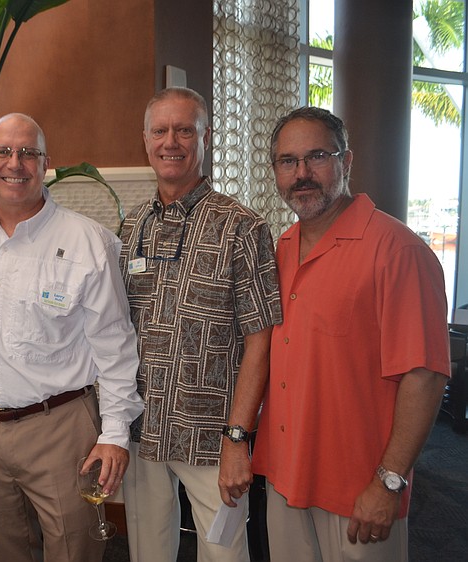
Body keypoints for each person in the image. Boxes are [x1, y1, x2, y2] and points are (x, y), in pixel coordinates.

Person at [251, 106, 450, 562]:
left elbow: (426, 375)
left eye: (317, 156)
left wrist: (389, 482)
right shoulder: (279, 249)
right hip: (285, 478)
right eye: (288, 161)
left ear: (347, 161)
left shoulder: (398, 251)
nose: (302, 173)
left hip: (360, 492)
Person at [0, 113, 144, 562]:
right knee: (0, 548)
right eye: (3, 152)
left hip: (60, 428)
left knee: (76, 547)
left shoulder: (88, 242)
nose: (15, 163)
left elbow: (115, 347)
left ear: (46, 163)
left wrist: (114, 433)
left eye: (28, 153)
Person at [119, 87, 282, 562]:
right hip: (141, 427)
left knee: (225, 555)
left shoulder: (243, 227)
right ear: (146, 140)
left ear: (205, 137)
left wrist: (238, 438)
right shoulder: (130, 229)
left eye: (184, 129)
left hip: (212, 437)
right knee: (147, 552)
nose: (171, 141)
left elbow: (261, 341)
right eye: (160, 130)